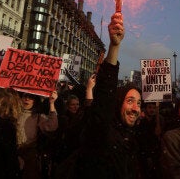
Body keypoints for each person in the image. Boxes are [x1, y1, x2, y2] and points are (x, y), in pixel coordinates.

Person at [57, 12, 143, 179]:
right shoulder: (102, 133)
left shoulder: (133, 139)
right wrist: (114, 47)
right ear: (117, 104)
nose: (135, 108)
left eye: (139, 103)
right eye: (130, 101)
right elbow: (104, 97)